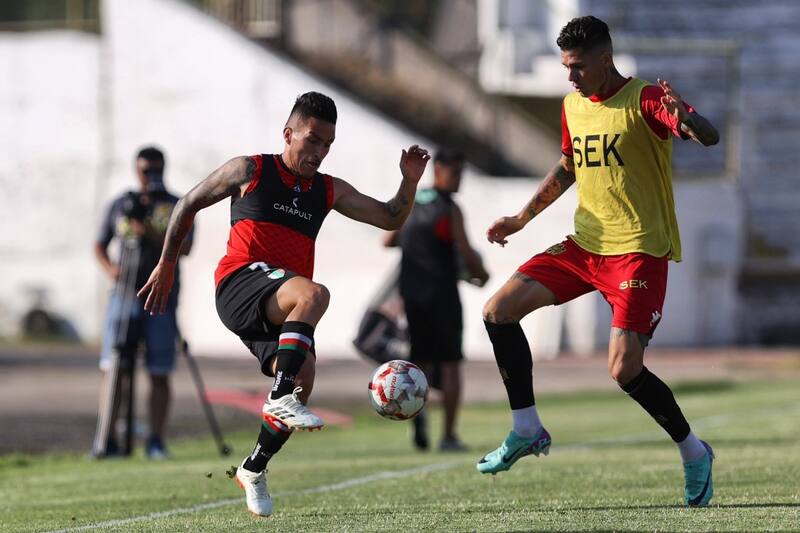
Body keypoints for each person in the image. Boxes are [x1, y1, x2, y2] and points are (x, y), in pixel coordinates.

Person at [137, 92, 430, 517]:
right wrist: (165, 264)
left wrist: (409, 180)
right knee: (314, 294)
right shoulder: (250, 170)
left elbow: (389, 217)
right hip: (239, 283)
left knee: (303, 378)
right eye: (312, 140)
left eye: (327, 144)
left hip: (276, 303)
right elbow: (187, 204)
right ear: (288, 133)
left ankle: (254, 468)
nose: (319, 152)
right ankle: (279, 397)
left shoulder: (328, 190)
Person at [477, 16, 720, 507]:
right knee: (497, 311)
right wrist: (521, 219)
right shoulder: (573, 105)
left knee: (624, 370)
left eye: (579, 67)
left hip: (638, 253)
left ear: (606, 58)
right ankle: (526, 427)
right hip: (585, 248)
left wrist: (687, 119)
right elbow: (569, 165)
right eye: (567, 66)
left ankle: (694, 452)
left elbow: (708, 136)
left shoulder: (647, 99)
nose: (570, 77)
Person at [384, 149, 489, 452]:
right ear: (439, 169)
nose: (459, 180)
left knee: (420, 363)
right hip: (443, 295)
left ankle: (418, 413)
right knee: (452, 364)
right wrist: (483, 274)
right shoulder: (450, 208)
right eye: (456, 172)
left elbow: (388, 240)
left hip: (412, 294)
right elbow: (468, 254)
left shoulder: (412, 202)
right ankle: (449, 436)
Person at [94, 146, 193, 459]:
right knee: (115, 367)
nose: (150, 175)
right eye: (145, 169)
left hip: (160, 299)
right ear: (136, 170)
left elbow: (187, 246)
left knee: (159, 369)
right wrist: (112, 270)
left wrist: (148, 229)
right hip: (124, 295)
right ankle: (107, 439)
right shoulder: (123, 204)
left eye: (155, 169)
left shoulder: (176, 205)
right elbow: (99, 245)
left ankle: (156, 440)